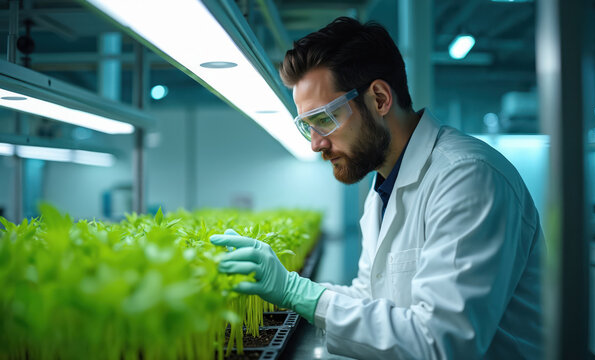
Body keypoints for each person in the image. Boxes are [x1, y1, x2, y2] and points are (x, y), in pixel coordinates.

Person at [211, 16, 544, 359]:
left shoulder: (468, 178)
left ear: (380, 99)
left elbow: (441, 342)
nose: (315, 144)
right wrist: (286, 289)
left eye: (324, 119)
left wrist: (297, 292)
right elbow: (370, 298)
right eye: (307, 126)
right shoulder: (383, 187)